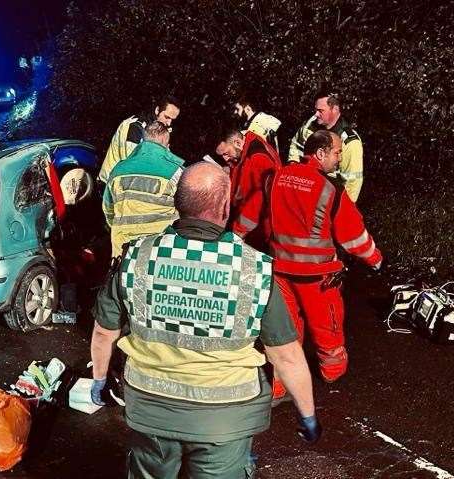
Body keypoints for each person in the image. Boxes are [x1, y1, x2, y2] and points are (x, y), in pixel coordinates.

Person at [91, 162, 321, 479]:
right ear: (226, 206)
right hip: (224, 420)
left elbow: (104, 332)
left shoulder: (137, 256)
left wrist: (100, 381)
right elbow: (286, 355)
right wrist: (307, 413)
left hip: (151, 410)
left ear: (176, 203)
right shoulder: (254, 269)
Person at [269, 130, 382, 401]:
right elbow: (353, 236)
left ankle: (279, 386)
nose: (340, 159)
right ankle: (333, 375)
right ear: (320, 153)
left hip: (280, 269)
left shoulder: (279, 176)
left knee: (285, 331)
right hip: (316, 277)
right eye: (337, 152)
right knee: (328, 329)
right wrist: (376, 259)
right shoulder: (330, 189)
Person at [102, 121, 184, 257]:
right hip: (160, 250)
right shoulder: (177, 172)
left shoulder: (118, 170)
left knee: (120, 277)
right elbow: (186, 212)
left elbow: (108, 209)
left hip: (123, 250)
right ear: (166, 143)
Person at [288, 92, 364, 202]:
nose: (316, 114)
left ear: (335, 110)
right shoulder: (310, 126)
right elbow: (296, 144)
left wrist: (343, 209)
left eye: (320, 111)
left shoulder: (349, 141)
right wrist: (293, 166)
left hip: (327, 199)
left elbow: (352, 182)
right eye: (315, 110)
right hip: (302, 190)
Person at [214, 127, 281, 245]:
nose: (225, 158)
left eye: (226, 153)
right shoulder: (249, 149)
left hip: (256, 234)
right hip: (252, 229)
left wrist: (237, 233)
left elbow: (255, 204)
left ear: (238, 143)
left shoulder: (257, 159)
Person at [98, 96, 181, 185]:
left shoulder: (158, 131)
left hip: (125, 184)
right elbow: (133, 161)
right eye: (167, 117)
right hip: (108, 185)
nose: (169, 123)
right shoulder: (134, 127)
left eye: (172, 120)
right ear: (157, 110)